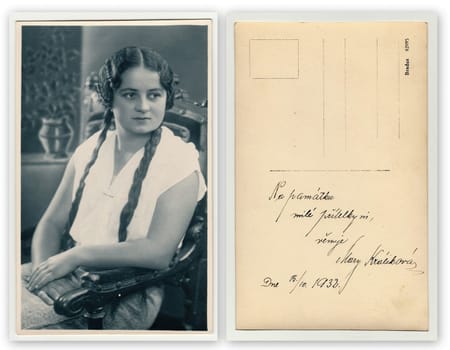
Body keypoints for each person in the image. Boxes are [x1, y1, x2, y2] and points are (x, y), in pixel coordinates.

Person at [21, 47, 207, 330]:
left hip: (122, 292)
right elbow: (52, 222)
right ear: (110, 98)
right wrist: (43, 271)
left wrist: (76, 256)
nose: (144, 106)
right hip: (66, 271)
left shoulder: (180, 161)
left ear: (165, 97)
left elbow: (157, 252)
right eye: (130, 94)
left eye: (154, 94)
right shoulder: (90, 148)